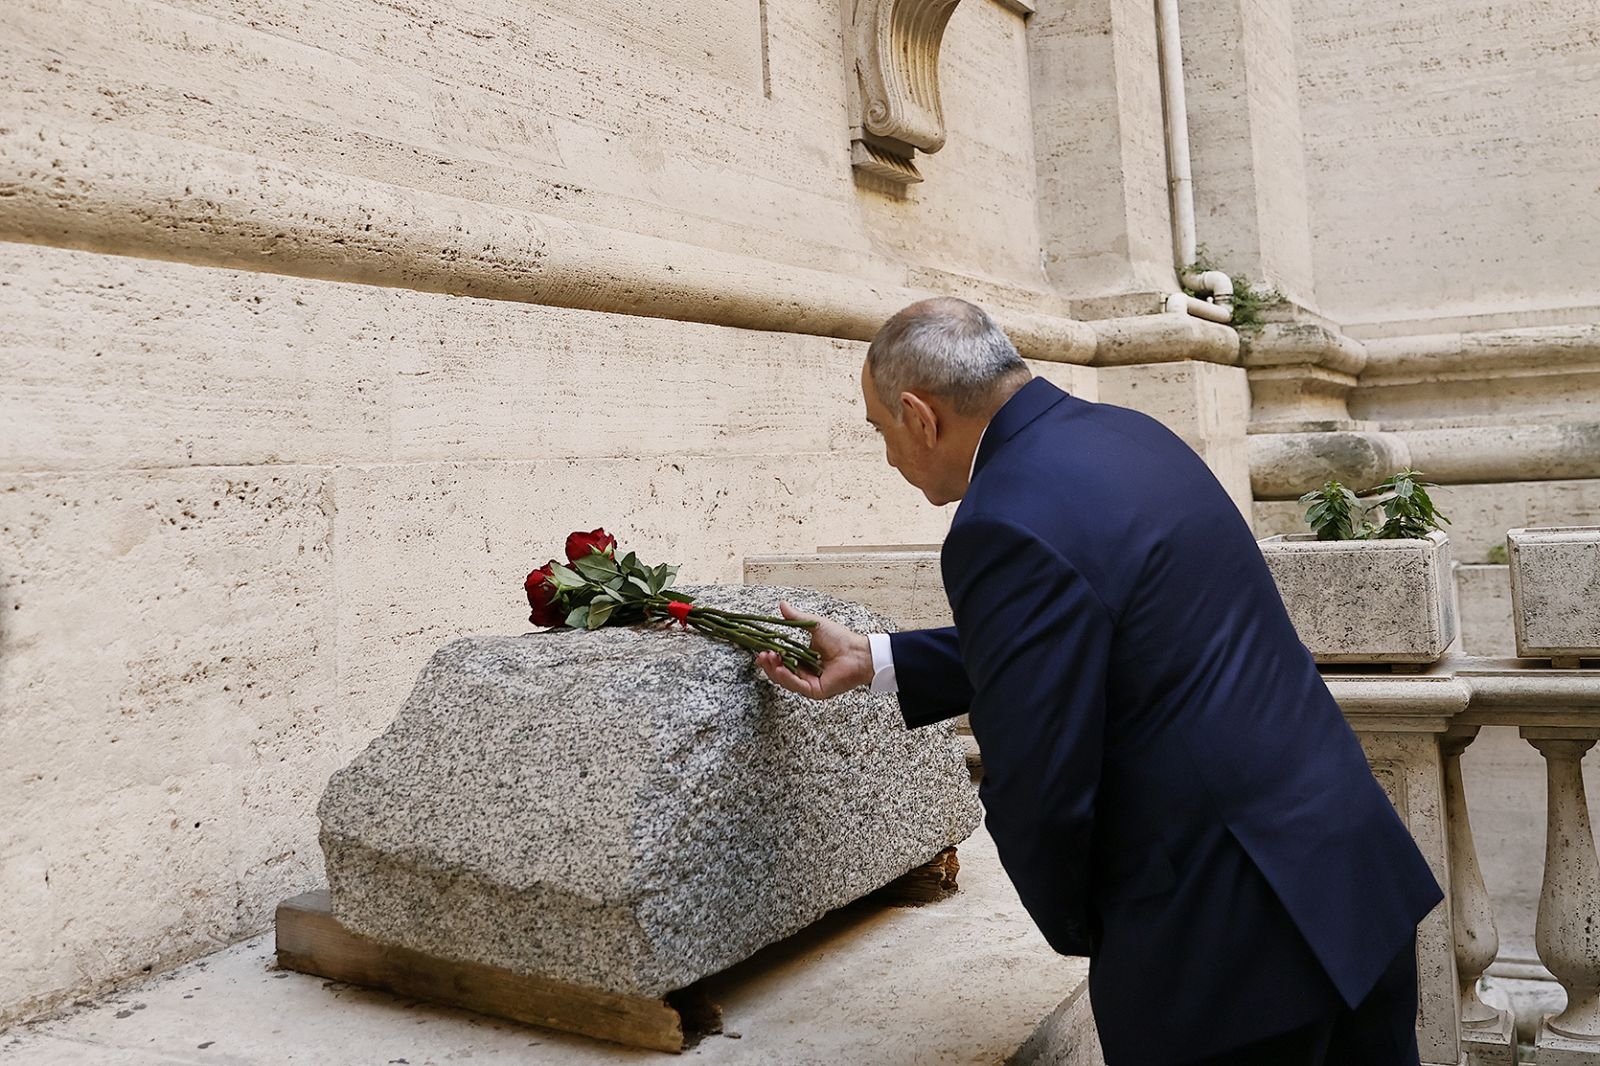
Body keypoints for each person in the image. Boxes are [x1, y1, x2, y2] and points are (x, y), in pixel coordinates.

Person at [755, 297, 1443, 1065]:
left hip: (1224, 952)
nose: (887, 455)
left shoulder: (999, 519)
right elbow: (1103, 631)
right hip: (1348, 879)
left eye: (880, 429)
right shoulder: (1130, 434)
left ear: (920, 416)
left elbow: (1040, 784)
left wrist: (1091, 926)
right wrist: (879, 659)